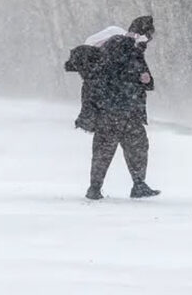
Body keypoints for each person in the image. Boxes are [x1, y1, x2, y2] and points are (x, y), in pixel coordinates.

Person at [66, 15, 160, 200]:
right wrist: (140, 80)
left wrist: (144, 80)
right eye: (148, 37)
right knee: (133, 148)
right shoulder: (122, 45)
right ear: (141, 34)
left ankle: (98, 188)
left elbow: (144, 79)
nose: (147, 42)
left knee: (107, 149)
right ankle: (134, 185)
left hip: (116, 109)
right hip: (122, 108)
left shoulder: (126, 49)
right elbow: (126, 75)